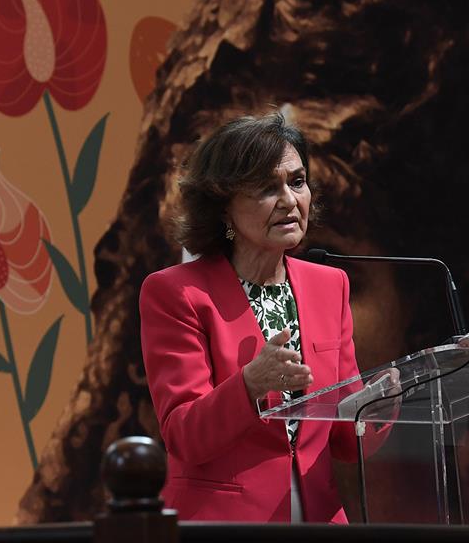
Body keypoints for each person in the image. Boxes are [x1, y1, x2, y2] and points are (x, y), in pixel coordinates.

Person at [139, 112, 393, 523]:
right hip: (223, 523)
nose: (291, 201)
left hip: (318, 518)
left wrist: (378, 407)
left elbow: (347, 441)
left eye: (297, 181)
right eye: (266, 188)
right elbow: (184, 435)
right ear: (223, 207)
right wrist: (249, 384)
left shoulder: (331, 287)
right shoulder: (177, 293)